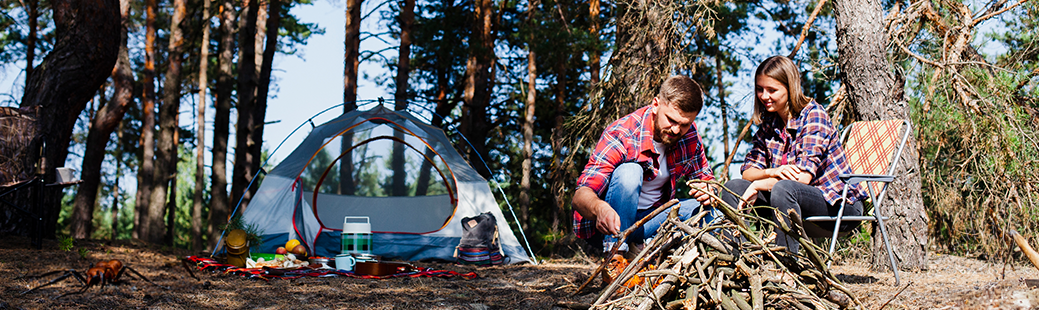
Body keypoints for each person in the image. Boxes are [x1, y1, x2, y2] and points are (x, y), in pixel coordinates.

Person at [718, 55, 868, 254]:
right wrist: (774, 171)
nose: (764, 96)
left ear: (790, 88)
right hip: (791, 202)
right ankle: (734, 261)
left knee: (784, 188)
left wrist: (759, 183)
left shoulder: (814, 115)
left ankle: (787, 267)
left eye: (772, 90)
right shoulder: (770, 123)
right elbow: (747, 172)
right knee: (733, 187)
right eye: (760, 89)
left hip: (839, 205)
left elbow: (802, 178)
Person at [572, 75, 715, 253]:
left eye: (684, 124)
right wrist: (599, 208)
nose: (676, 130)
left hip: (651, 220)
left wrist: (708, 191)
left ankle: (662, 252)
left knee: (714, 212)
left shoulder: (689, 137)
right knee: (630, 172)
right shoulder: (623, 133)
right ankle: (616, 255)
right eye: (671, 120)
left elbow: (707, 180)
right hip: (609, 225)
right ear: (656, 104)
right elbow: (581, 196)